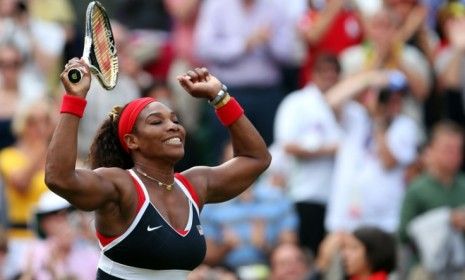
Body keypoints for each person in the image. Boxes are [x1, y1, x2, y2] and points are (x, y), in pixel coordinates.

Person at [45, 58, 271, 279]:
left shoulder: (194, 185)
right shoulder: (121, 184)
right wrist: (74, 100)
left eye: (175, 120)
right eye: (156, 122)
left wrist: (219, 97)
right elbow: (59, 178)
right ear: (132, 141)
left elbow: (256, 159)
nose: (172, 127)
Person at [398, 120, 465, 279]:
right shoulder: (417, 189)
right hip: (426, 264)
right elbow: (403, 234)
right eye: (448, 150)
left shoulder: (463, 185)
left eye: (458, 150)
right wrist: (445, 221)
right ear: (431, 150)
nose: (454, 155)